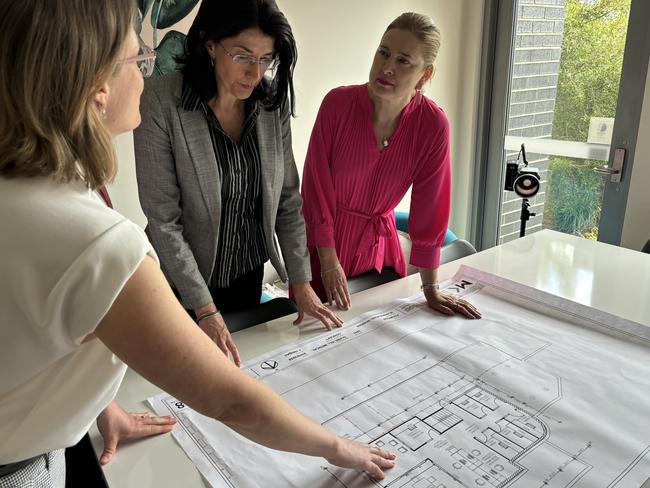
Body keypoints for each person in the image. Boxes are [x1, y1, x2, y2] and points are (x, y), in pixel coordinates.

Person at [0, 1, 395, 486]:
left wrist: (98, 406)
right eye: (137, 59)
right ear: (97, 87)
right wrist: (337, 446)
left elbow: (45, 335)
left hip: (51, 439)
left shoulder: (30, 186)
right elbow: (228, 398)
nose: (149, 69)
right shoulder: (103, 244)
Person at [134, 0, 340, 366]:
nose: (255, 73)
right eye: (243, 56)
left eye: (266, 59)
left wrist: (301, 281)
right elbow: (164, 221)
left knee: (242, 371)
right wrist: (205, 308)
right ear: (210, 44)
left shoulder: (270, 102)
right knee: (190, 378)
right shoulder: (161, 101)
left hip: (246, 274)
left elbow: (288, 200)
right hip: (182, 284)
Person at [301, 12, 481, 320]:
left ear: (425, 74)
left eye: (403, 61)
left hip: (381, 259)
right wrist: (329, 264)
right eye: (383, 53)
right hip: (321, 253)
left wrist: (431, 289)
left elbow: (430, 210)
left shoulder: (432, 126)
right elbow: (314, 190)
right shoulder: (337, 105)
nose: (387, 68)